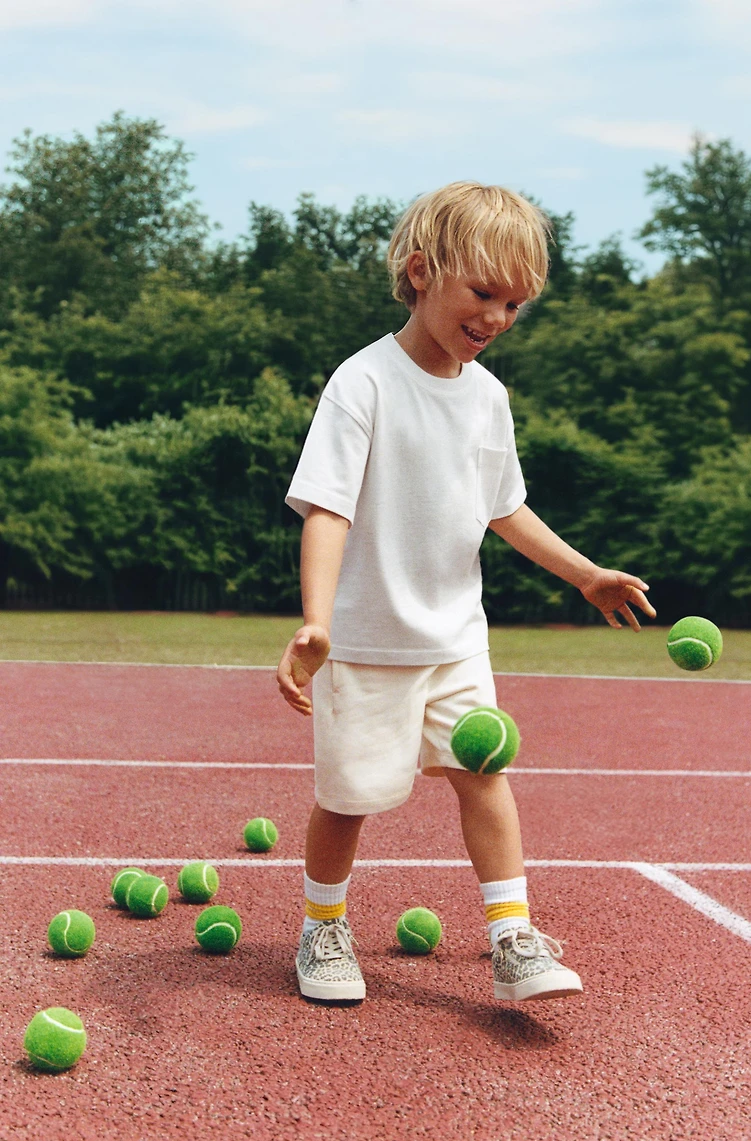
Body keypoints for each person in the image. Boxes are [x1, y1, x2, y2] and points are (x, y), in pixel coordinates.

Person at [277, 181, 656, 1004]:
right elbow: (327, 509)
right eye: (483, 293)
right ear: (420, 272)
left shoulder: (488, 399)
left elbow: (504, 508)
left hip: (455, 639)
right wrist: (315, 622)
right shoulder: (363, 383)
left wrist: (584, 573)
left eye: (515, 304)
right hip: (368, 640)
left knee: (485, 772)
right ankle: (322, 927)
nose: (496, 318)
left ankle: (512, 936)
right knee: (349, 799)